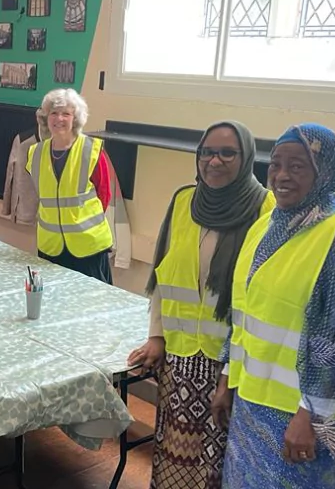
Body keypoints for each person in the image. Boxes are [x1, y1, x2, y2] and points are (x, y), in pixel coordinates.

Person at [214, 123, 335, 489]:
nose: (282, 176)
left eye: (298, 166)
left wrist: (312, 416)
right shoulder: (265, 227)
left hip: (301, 416)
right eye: (275, 164)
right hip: (251, 403)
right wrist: (228, 376)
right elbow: (242, 313)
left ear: (325, 173)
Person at [127, 121, 274, 487]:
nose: (215, 161)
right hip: (179, 359)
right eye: (207, 152)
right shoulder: (183, 201)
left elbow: (257, 298)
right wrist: (157, 336)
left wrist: (230, 368)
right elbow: (164, 274)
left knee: (217, 458)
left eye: (227, 153)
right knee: (174, 452)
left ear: (246, 158)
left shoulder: (263, 208)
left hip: (225, 364)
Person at [26, 88, 115, 284]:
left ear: (75, 118)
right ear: (46, 118)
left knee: (90, 306)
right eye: (54, 113)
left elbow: (104, 194)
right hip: (51, 246)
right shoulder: (35, 153)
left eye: (66, 113)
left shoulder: (91, 149)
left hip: (88, 247)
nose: (59, 119)